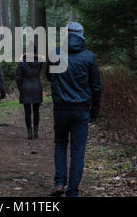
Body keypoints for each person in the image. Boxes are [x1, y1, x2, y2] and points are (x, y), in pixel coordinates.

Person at [47, 22, 102, 197]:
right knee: (78, 150)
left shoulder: (55, 53)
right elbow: (96, 87)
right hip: (81, 109)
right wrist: (95, 109)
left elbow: (50, 76)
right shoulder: (89, 57)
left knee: (61, 143)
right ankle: (72, 191)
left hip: (61, 108)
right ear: (81, 35)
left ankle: (59, 182)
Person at [15, 44, 44, 140]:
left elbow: (18, 77)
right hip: (36, 87)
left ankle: (29, 133)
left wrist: (21, 88)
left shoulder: (22, 62)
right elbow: (39, 73)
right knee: (36, 111)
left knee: (27, 112)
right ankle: (36, 132)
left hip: (25, 87)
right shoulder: (39, 62)